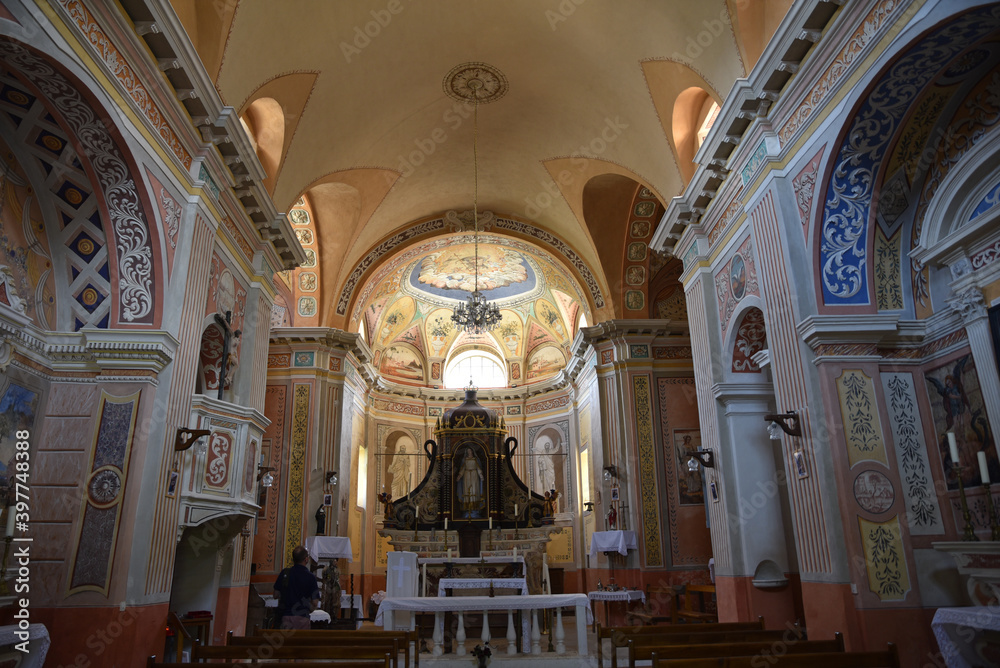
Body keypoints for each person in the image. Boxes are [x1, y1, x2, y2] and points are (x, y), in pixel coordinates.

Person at [273, 545, 319, 629]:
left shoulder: (285, 573)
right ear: (306, 559)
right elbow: (315, 602)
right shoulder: (311, 577)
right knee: (301, 642)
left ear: (293, 559)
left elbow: (275, 595)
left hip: (285, 616)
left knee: (286, 642)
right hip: (303, 618)